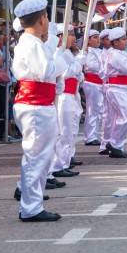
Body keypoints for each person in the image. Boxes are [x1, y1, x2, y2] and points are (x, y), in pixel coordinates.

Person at [10, 0, 70, 222]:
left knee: (41, 156)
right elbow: (46, 71)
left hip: (38, 103)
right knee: (36, 156)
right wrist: (61, 59)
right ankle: (31, 207)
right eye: (46, 17)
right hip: (34, 105)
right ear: (42, 19)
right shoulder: (30, 43)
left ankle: (32, 198)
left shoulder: (33, 43)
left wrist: (53, 47)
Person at [101, 27, 127, 159]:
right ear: (115, 42)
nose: (126, 42)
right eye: (123, 39)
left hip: (123, 89)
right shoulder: (114, 55)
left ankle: (116, 145)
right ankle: (114, 143)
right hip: (116, 88)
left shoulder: (122, 54)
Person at [50, 26, 82, 179]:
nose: (74, 38)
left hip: (72, 95)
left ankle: (65, 161)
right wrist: (78, 64)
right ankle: (59, 165)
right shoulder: (58, 54)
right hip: (63, 96)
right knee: (63, 132)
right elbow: (66, 73)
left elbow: (78, 76)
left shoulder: (67, 53)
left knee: (71, 131)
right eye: (71, 34)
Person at [81, 29, 104, 146]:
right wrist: (103, 66)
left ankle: (94, 134)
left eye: (98, 37)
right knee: (93, 110)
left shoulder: (99, 51)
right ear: (88, 40)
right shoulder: (88, 51)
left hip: (99, 83)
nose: (98, 39)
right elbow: (92, 66)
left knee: (99, 110)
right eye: (94, 37)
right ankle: (90, 136)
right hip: (92, 83)